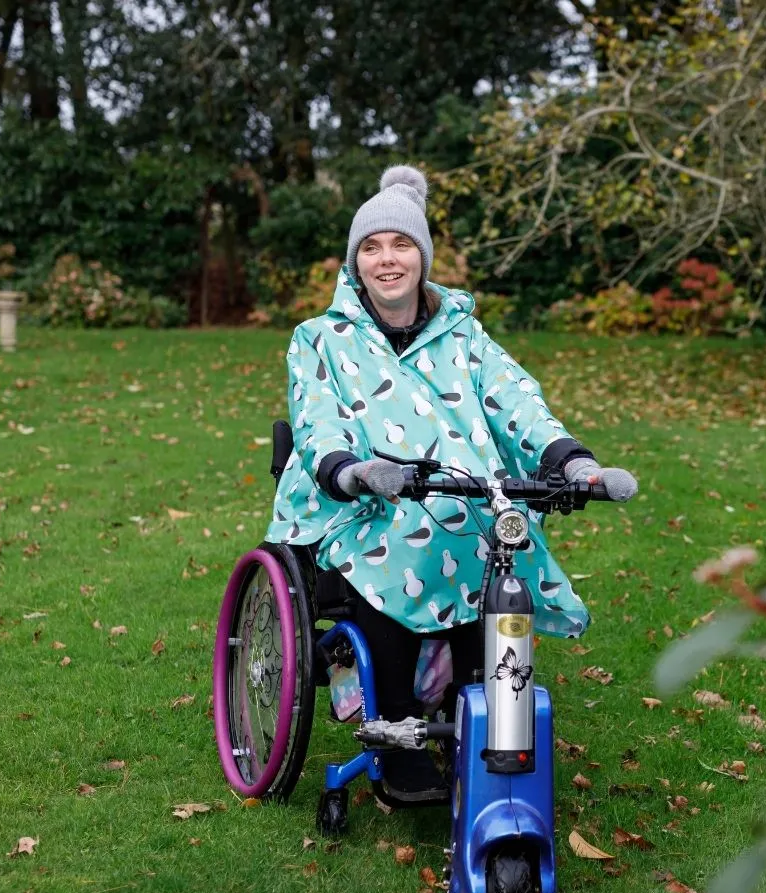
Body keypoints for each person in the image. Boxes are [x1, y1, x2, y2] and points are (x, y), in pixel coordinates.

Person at [266, 165, 637, 802]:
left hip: (459, 495)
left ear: (424, 255)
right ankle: (397, 729)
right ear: (356, 262)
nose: (388, 259)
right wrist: (353, 472)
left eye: (402, 244)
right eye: (372, 247)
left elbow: (516, 401)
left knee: (493, 539)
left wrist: (572, 461)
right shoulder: (320, 338)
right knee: (402, 541)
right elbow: (316, 419)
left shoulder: (462, 332)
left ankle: (480, 706)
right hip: (354, 502)